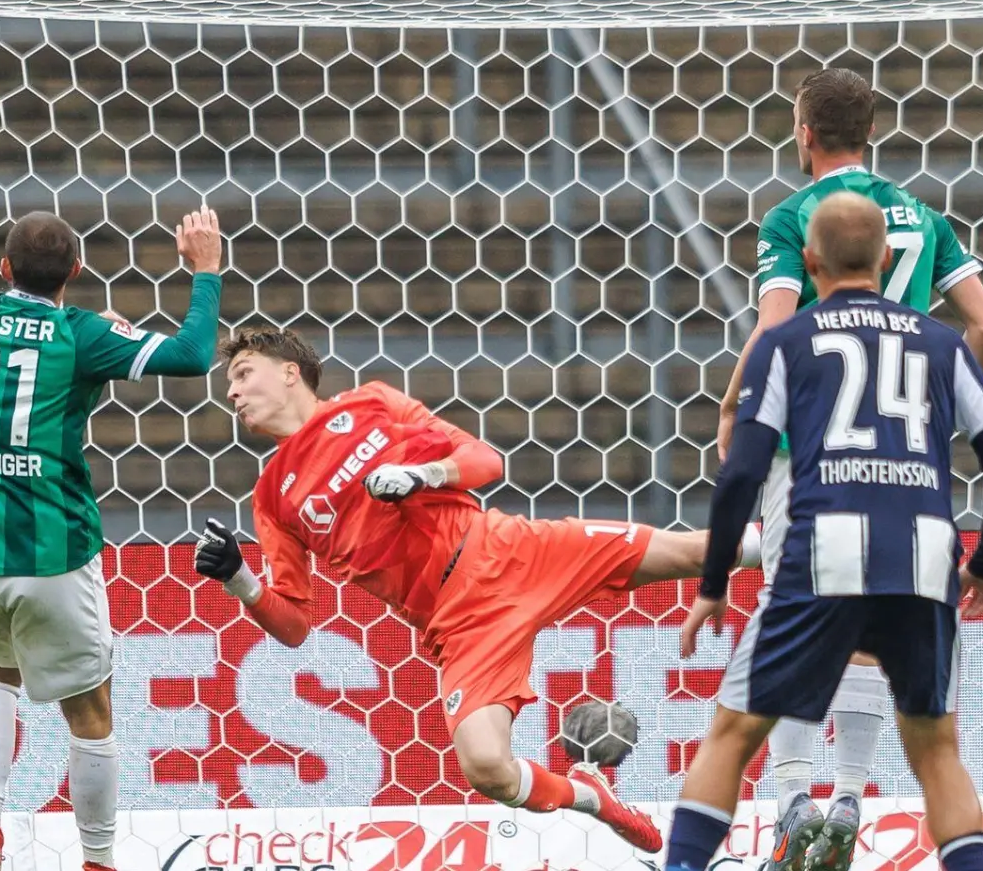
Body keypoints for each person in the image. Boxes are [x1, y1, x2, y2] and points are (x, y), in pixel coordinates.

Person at [192, 328, 763, 853]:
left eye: (243, 373)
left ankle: (817, 535)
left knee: (695, 551)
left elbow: (485, 460)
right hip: (459, 621)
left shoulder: (372, 403)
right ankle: (591, 796)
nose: (233, 393)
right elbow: (293, 625)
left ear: (290, 372)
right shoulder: (272, 497)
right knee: (487, 768)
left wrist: (425, 475)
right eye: (229, 384)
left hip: (506, 549)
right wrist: (240, 578)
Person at [670, 191, 983, 871]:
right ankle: (864, 801)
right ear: (887, 257)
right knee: (938, 754)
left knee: (731, 734)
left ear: (809, 262)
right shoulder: (942, 344)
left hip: (821, 552)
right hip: (923, 556)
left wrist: (713, 583)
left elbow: (743, 473)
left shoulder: (785, 344)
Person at [0, 208, 224, 871]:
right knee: (90, 710)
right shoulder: (80, 334)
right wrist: (205, 269)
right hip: (53, 550)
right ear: (77, 272)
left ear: (3, 269)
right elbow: (191, 355)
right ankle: (97, 858)